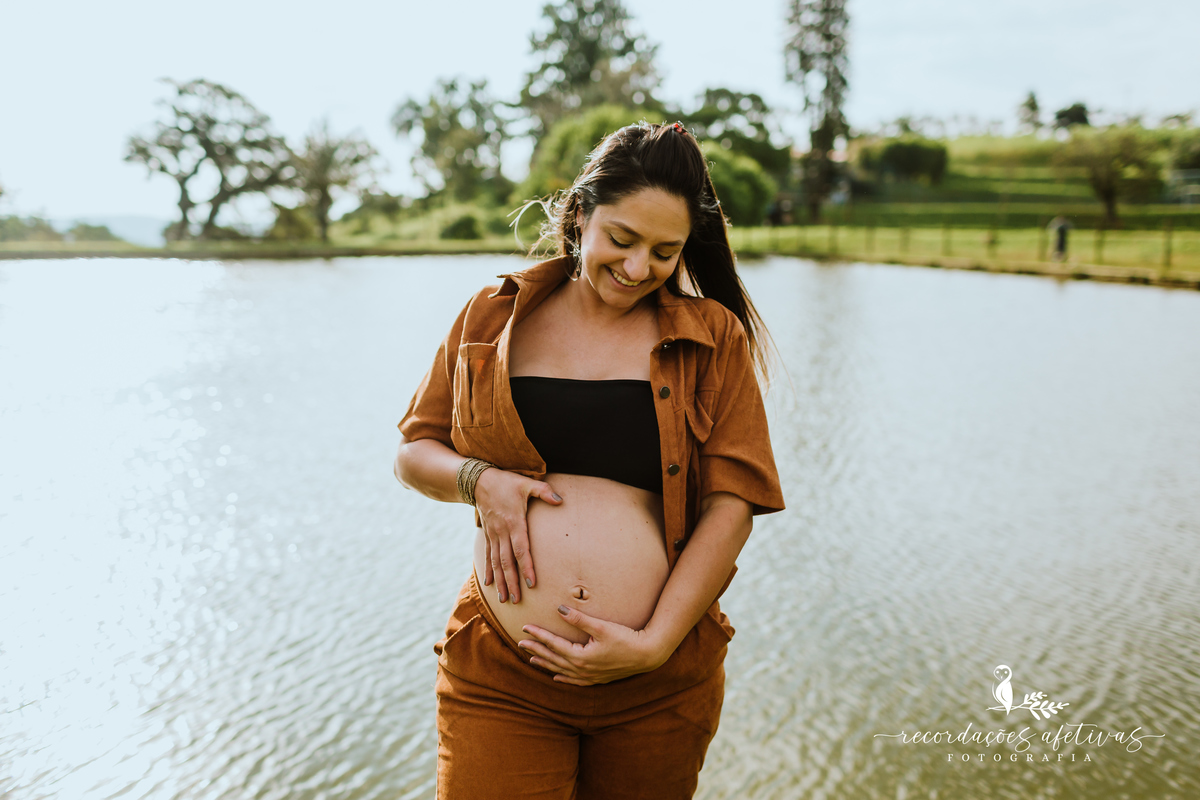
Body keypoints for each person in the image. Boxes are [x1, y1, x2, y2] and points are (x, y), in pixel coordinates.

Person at [393, 120, 787, 800]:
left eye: (666, 252)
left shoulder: (711, 337)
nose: (638, 269)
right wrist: (478, 481)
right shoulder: (492, 318)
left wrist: (656, 642)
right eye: (622, 240)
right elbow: (414, 451)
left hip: (656, 686)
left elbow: (733, 504)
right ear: (579, 216)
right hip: (504, 676)